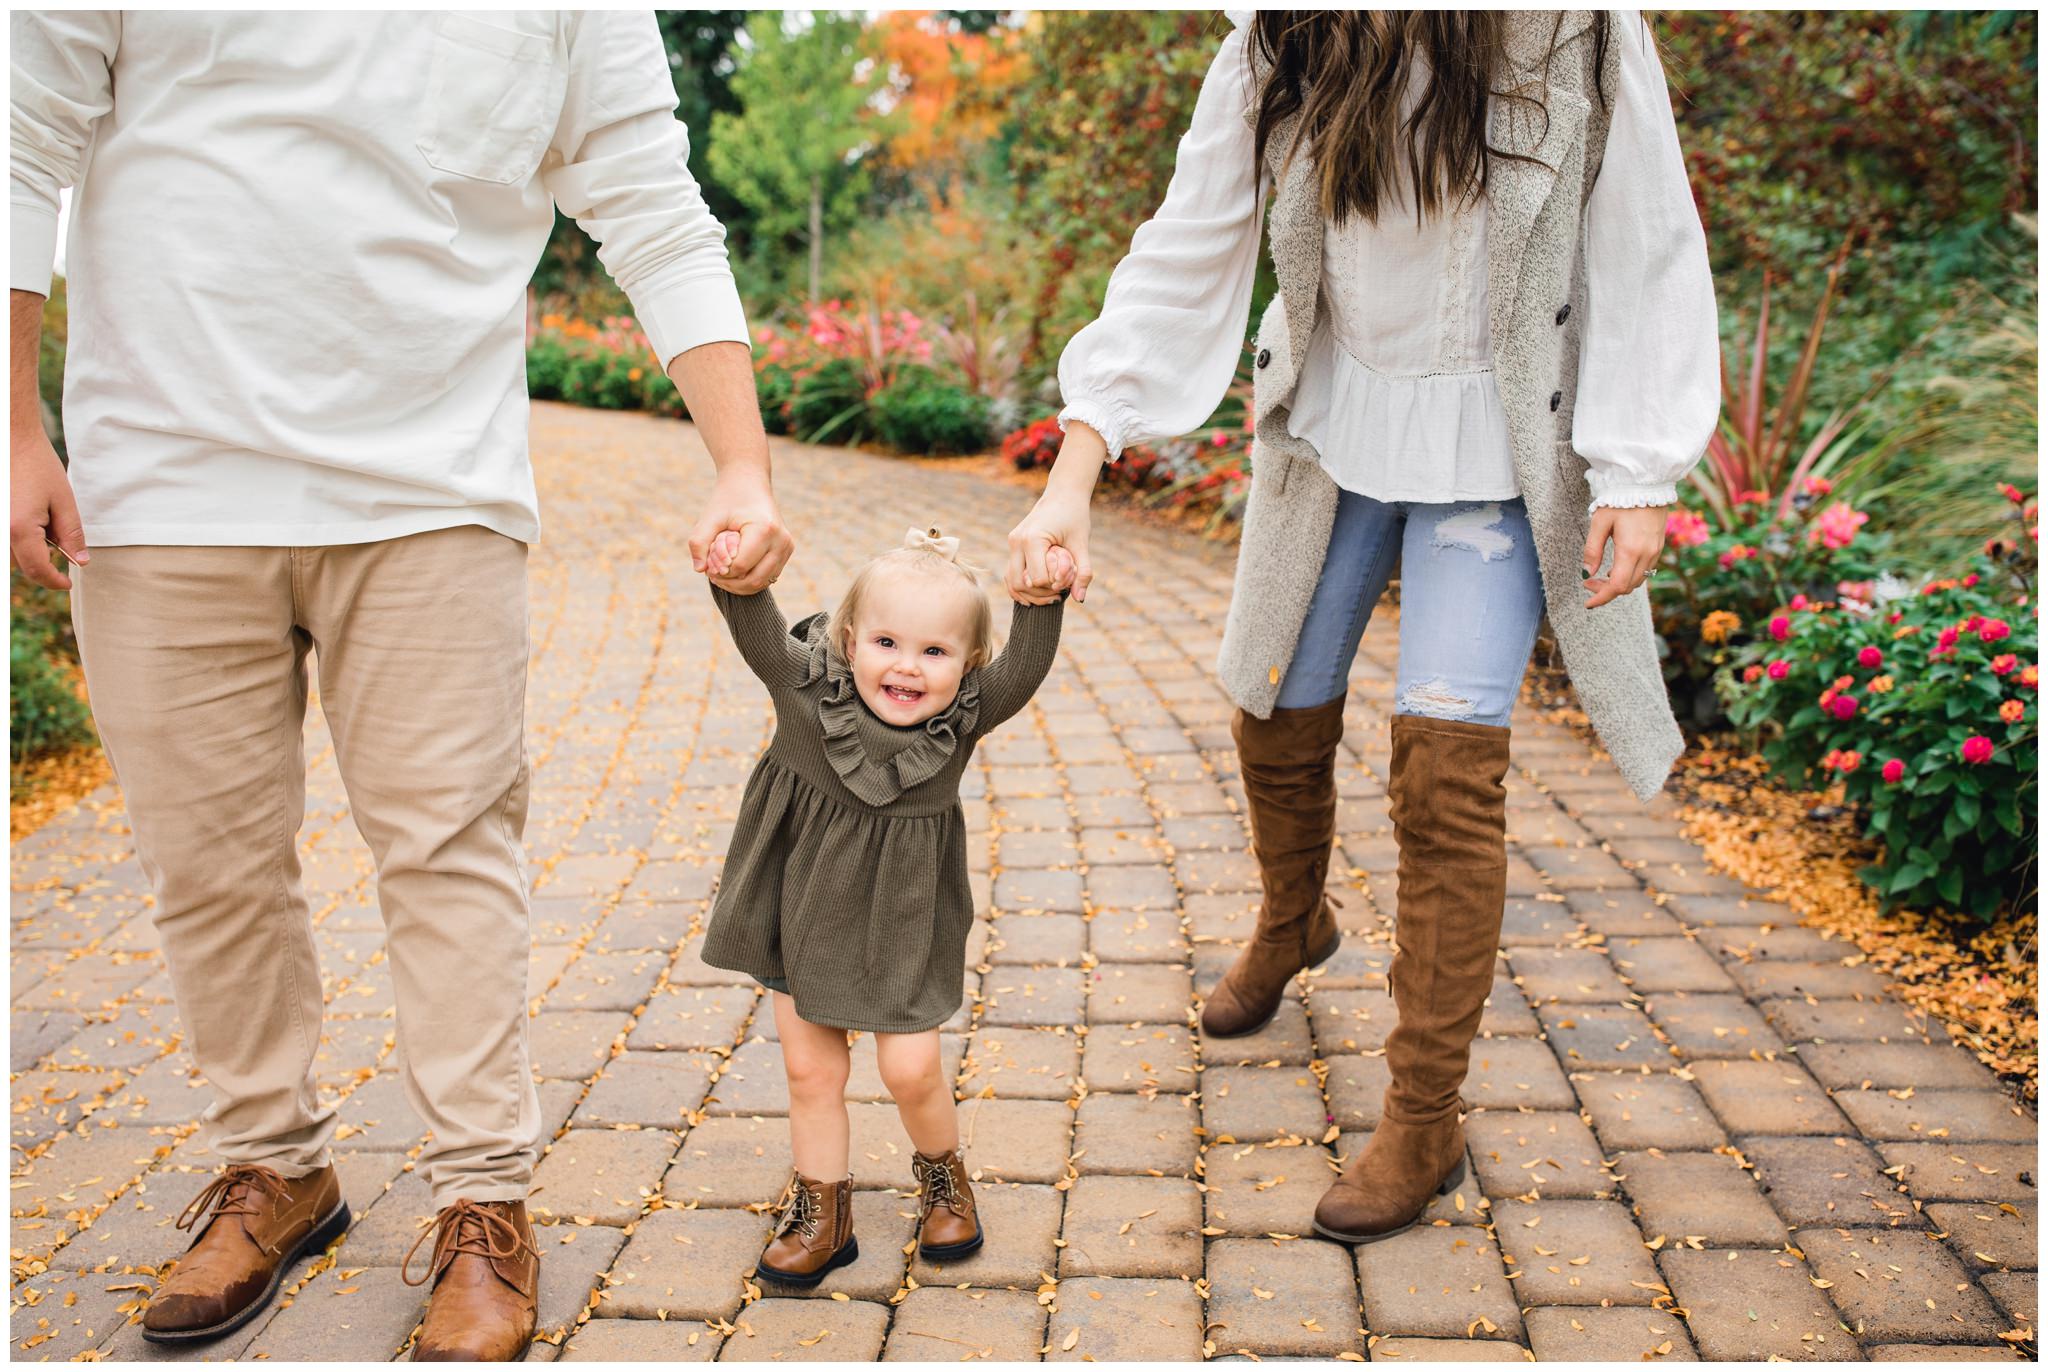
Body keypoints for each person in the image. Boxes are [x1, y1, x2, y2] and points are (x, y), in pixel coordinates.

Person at [9, 11, 791, 1358]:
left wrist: (744, 464)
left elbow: (650, 198)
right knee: (209, 861)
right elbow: (20, 139)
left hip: (435, 486)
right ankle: (276, 1163)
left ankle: (484, 1200)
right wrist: (15, 426)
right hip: (164, 480)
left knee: (451, 851)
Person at [1008, 9, 1716, 1242]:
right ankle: (1293, 919)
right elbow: (1185, 251)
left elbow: (1644, 238)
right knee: (1269, 692)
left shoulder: (1573, 31)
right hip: (1333, 424)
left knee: (1445, 766)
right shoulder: (1278, 40)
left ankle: (1422, 1112)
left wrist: (1637, 471)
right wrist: (1075, 467)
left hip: (1495, 452)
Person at [698, 528, 1068, 1284]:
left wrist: (1040, 599)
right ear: (847, 639)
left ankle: (944, 1178)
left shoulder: (958, 718)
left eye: (934, 652)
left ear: (967, 665)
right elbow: (755, 625)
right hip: (801, 910)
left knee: (910, 1070)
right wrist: (736, 569)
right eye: (886, 641)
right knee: (811, 1072)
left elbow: (1024, 669)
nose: (905, 665)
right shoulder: (808, 691)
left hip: (902, 923)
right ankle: (824, 1216)